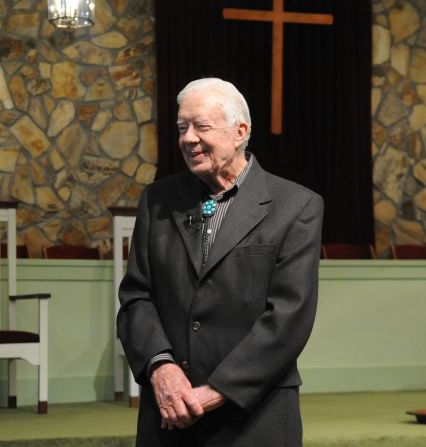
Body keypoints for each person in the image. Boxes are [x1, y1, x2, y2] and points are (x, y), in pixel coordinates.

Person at [117, 78, 324, 447]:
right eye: (182, 127)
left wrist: (213, 392)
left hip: (254, 417)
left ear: (240, 131)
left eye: (201, 127)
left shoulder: (297, 205)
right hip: (169, 414)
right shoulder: (158, 200)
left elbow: (289, 317)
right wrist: (161, 368)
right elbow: (136, 297)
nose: (188, 138)